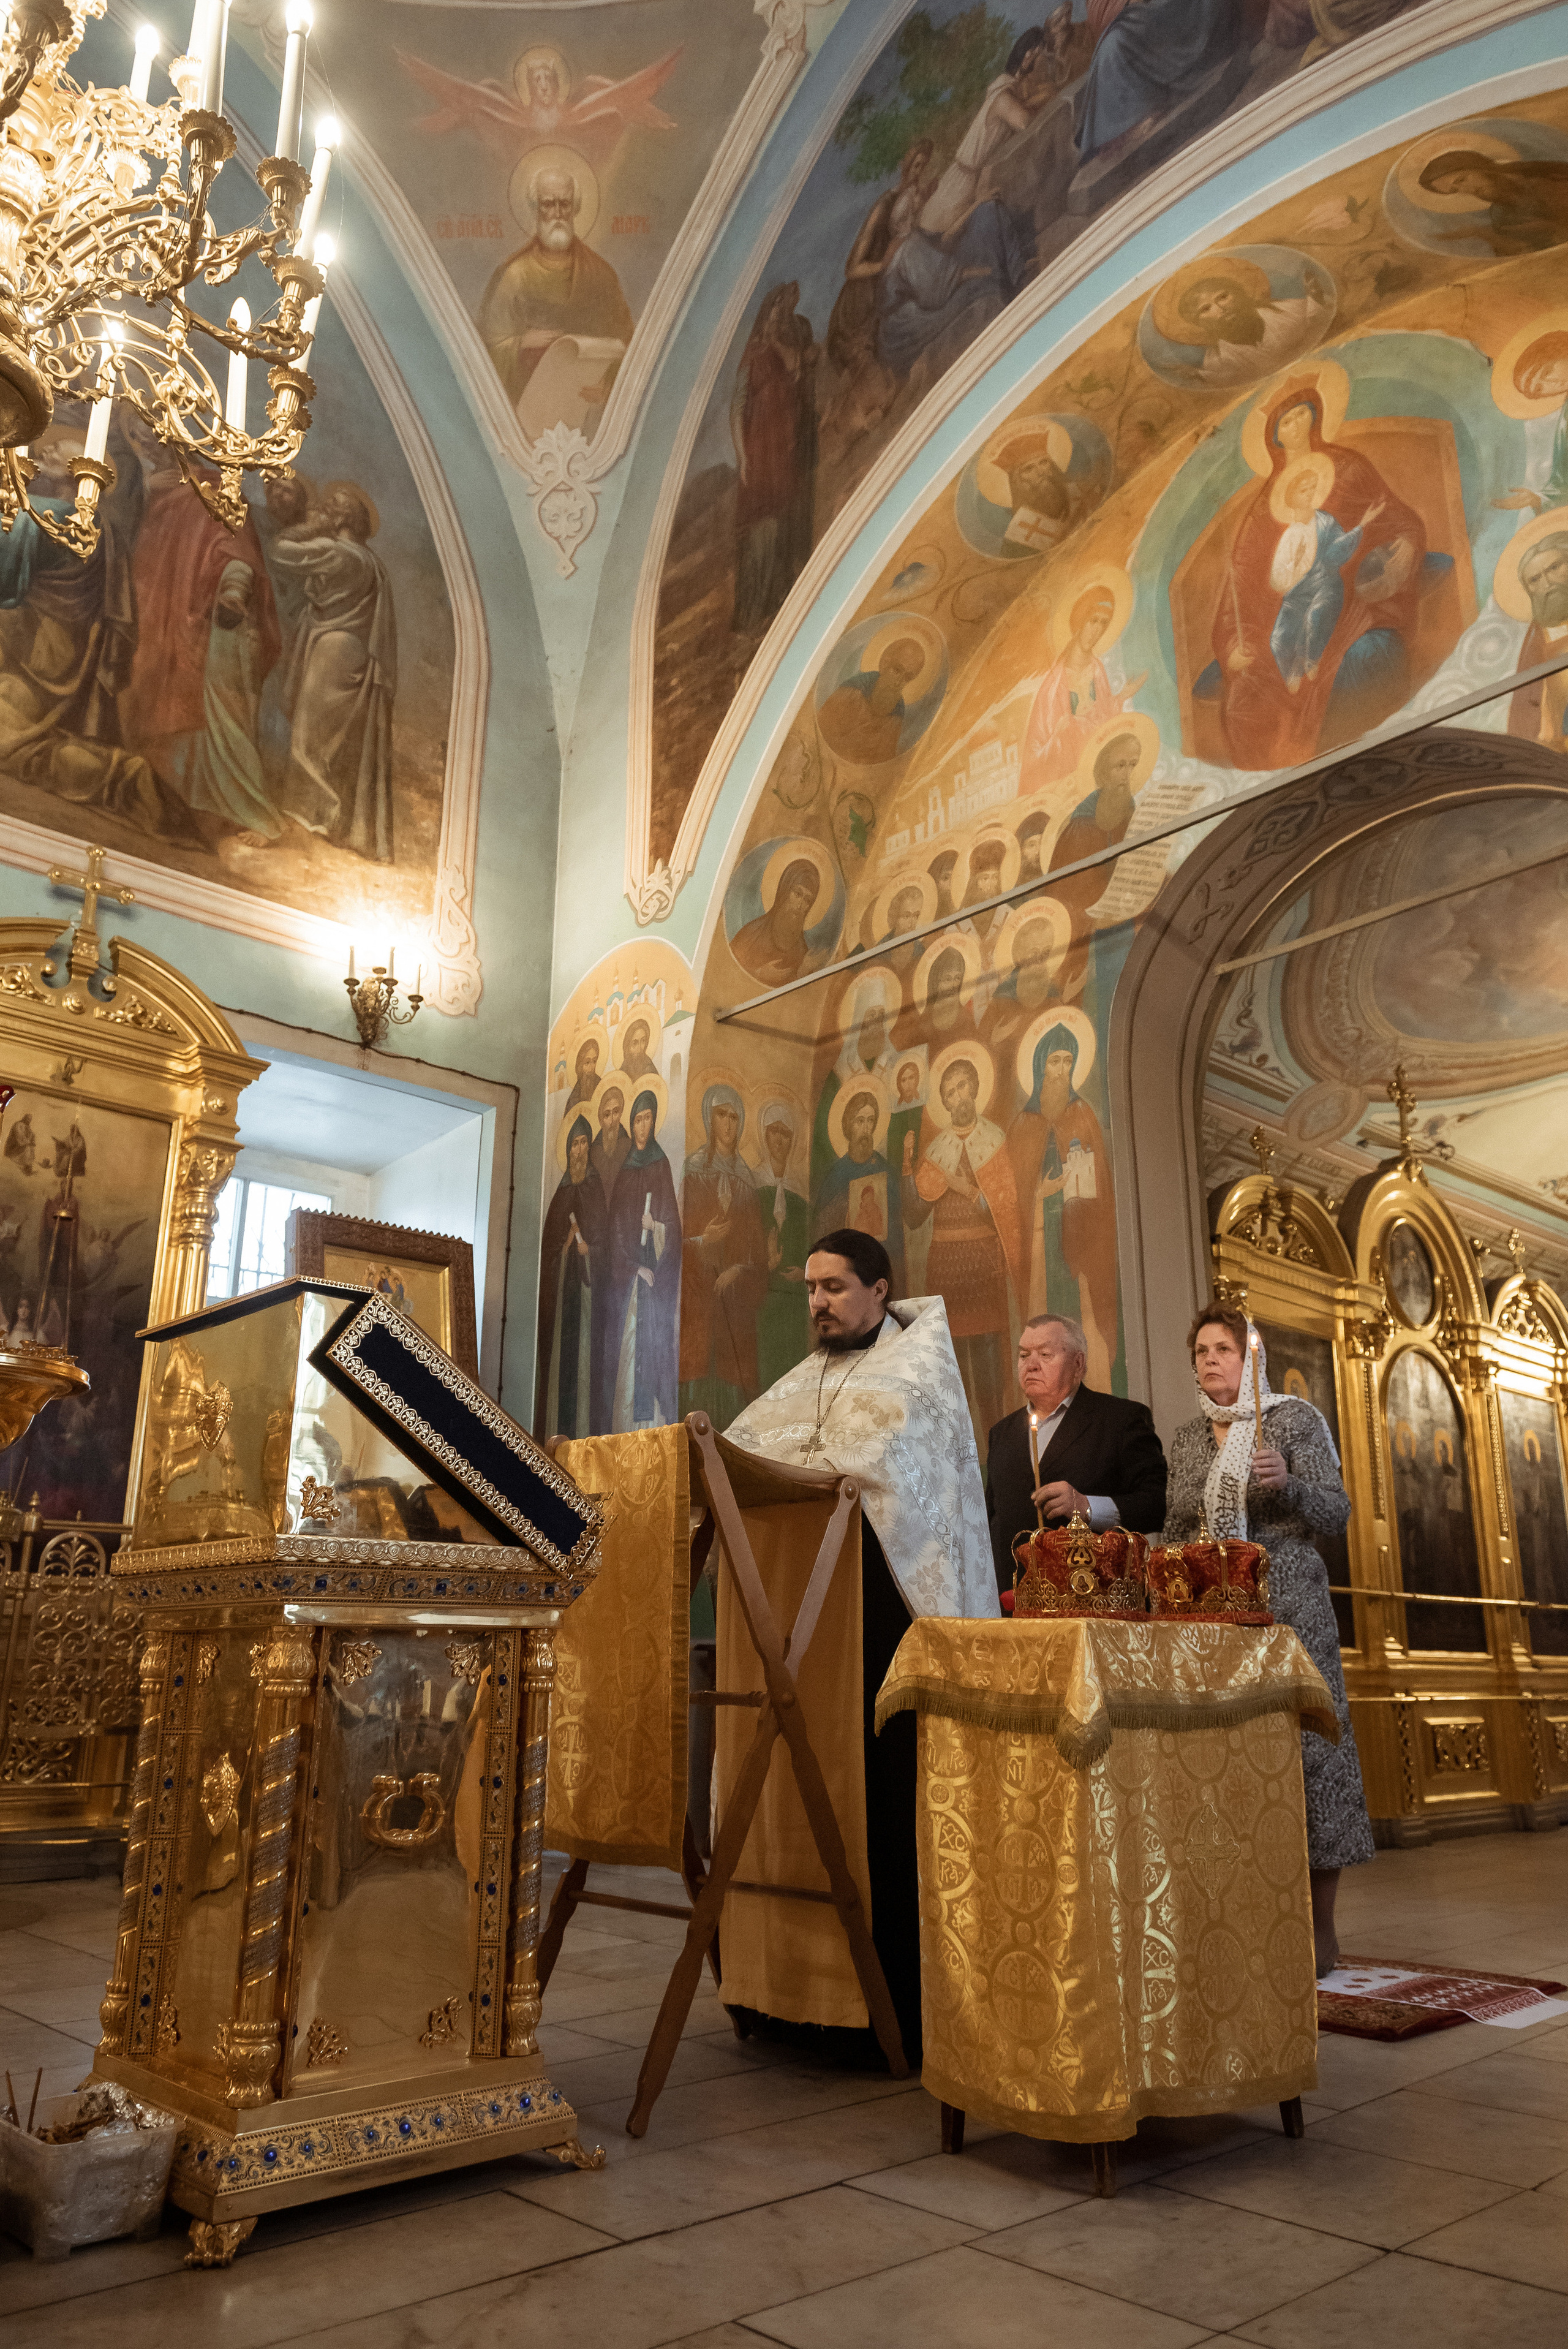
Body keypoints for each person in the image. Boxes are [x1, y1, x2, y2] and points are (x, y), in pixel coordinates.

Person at [722, 1229, 998, 2061]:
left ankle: (887, 2008)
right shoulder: (803, 1378)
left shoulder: (919, 1376)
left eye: (835, 1287)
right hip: (796, 1635)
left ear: (881, 1290)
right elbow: (747, 1453)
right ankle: (780, 1997)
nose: (817, 1303)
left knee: (878, 1804)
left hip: (880, 1630)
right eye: (810, 1288)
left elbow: (889, 1477)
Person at [1163, 1302, 1374, 1973]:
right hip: (1212, 1620)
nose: (1210, 1360)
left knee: (1310, 1759)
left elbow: (1335, 1511)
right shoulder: (1188, 1439)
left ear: (1248, 1357)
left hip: (1289, 1612)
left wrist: (1287, 1483)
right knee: (1227, 1765)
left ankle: (1320, 1931)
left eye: (1222, 1348)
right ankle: (1245, 1918)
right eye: (1200, 1351)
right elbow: (1174, 1528)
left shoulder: (1293, 1420)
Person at [986, 1311, 1166, 1597]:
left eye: (1045, 1355)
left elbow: (1155, 1507)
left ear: (1078, 1363)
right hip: (1015, 1604)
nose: (1031, 1365)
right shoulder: (1002, 1433)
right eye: (1023, 1355)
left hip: (1094, 1598)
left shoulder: (1121, 1420)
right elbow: (991, 1521)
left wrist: (1088, 1507)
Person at [271, 483, 397, 864]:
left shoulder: (338, 553)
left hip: (333, 649)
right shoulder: (370, 562)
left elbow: (279, 552)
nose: (322, 510)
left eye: (331, 508)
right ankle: (328, 817)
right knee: (331, 739)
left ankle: (309, 817)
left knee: (309, 734)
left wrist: (314, 528)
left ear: (343, 519)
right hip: (352, 651)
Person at [479, 167, 635, 429]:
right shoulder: (515, 275)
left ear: (575, 208)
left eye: (565, 204)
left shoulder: (600, 274)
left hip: (588, 412)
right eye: (548, 204)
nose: (558, 214)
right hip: (527, 411)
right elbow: (485, 347)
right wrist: (521, 343)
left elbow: (628, 344)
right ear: (536, 208)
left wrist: (608, 387)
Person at [679, 1082, 767, 1425]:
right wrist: (704, 1239)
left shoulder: (747, 1180)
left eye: (734, 1117)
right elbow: (677, 1237)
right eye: (721, 1116)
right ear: (709, 1120)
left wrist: (739, 1271)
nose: (729, 1125)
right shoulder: (693, 1170)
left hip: (734, 1300)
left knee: (733, 1384)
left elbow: (757, 1253)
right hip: (699, 1297)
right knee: (698, 1379)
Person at [605, 1090, 680, 1431]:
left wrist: (658, 1227)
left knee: (653, 1343)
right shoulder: (625, 1172)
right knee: (629, 1345)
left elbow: (674, 1227)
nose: (643, 1125)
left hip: (655, 1276)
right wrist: (633, 1266)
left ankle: (652, 1422)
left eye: (648, 1118)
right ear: (631, 1124)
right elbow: (615, 1229)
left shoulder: (660, 1164)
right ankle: (625, 1422)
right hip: (631, 1276)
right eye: (637, 1119)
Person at [535, 1112, 604, 1440]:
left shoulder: (595, 1188)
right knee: (560, 1367)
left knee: (584, 1366)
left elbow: (605, 1242)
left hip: (586, 1293)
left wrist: (589, 1250)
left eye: (584, 1143)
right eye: (574, 1143)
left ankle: (584, 1434)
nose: (579, 1150)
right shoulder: (561, 1195)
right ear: (567, 1149)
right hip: (563, 1296)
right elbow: (548, 1251)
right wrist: (565, 1246)